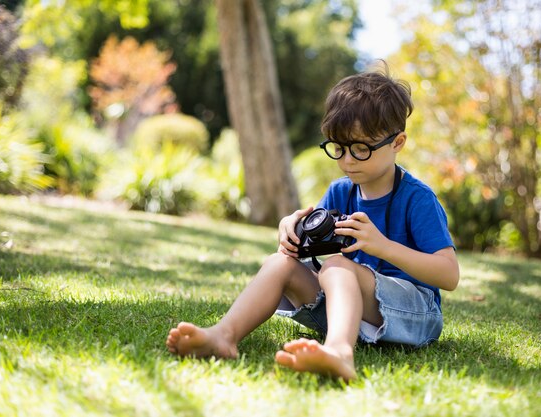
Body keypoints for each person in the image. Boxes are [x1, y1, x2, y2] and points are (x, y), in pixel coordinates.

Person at [166, 66, 459, 381]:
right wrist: (292, 232)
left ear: (397, 142)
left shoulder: (417, 199)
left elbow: (449, 274)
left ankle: (340, 353)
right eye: (339, 148)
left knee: (337, 267)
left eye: (361, 149)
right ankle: (224, 335)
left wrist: (383, 246)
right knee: (281, 263)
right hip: (352, 311)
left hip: (415, 316)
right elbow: (309, 252)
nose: (347, 161)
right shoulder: (339, 191)